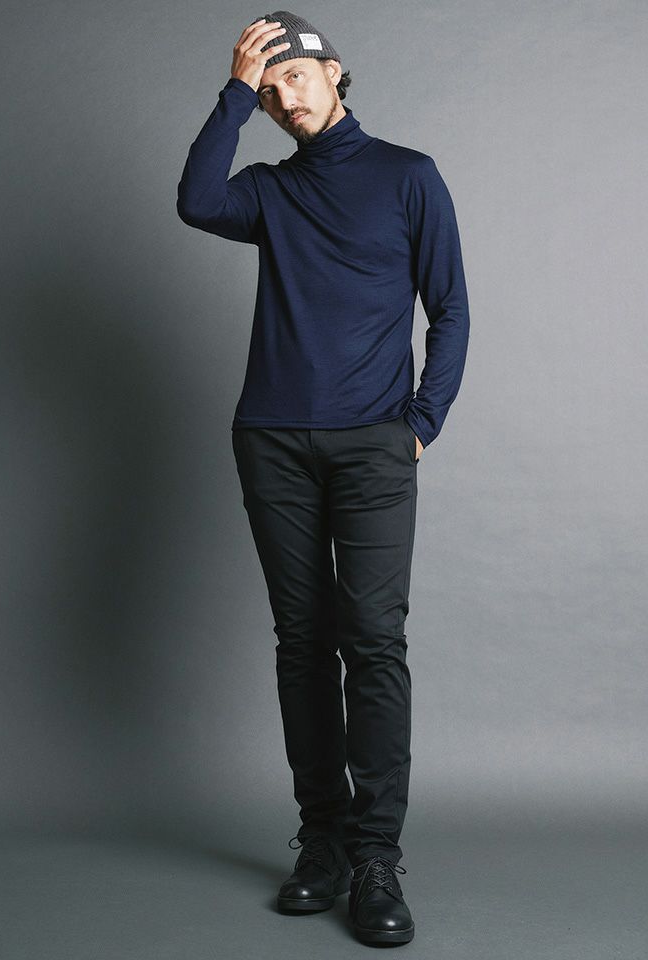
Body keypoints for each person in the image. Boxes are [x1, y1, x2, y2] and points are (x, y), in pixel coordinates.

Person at [176, 10, 470, 946]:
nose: (282, 98)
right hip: (271, 440)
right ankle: (325, 841)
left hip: (373, 444)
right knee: (303, 643)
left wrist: (420, 424)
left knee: (373, 642)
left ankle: (377, 855)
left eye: (293, 77)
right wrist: (233, 91)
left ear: (335, 73)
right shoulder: (268, 191)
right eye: (267, 92)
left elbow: (451, 309)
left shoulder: (409, 176)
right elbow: (194, 200)